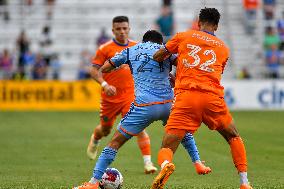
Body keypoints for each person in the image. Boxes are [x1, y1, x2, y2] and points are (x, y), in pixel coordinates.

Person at [73, 30, 211, 189]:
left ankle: (93, 183)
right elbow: (184, 65)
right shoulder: (165, 50)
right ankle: (198, 163)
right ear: (160, 42)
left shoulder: (130, 50)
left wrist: (122, 68)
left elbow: (104, 68)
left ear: (143, 41)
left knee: (115, 142)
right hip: (168, 103)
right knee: (183, 131)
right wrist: (171, 77)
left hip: (144, 105)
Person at [151, 8, 253, 189]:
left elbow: (158, 56)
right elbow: (213, 72)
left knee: (168, 144)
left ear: (198, 22)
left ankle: (166, 165)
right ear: (217, 26)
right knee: (233, 136)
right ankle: (244, 183)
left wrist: (176, 62)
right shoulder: (223, 48)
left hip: (186, 97)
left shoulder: (183, 36)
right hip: (212, 98)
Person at [86, 16, 157, 174]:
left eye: (125, 28)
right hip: (109, 98)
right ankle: (95, 138)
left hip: (130, 96)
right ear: (113, 30)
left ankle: (148, 164)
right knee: (105, 130)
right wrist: (104, 84)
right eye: (118, 29)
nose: (122, 32)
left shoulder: (136, 47)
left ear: (129, 29)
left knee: (138, 127)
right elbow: (93, 71)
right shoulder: (105, 49)